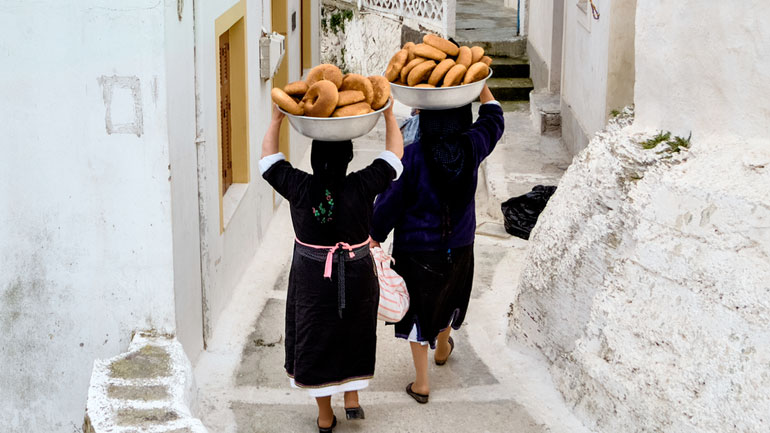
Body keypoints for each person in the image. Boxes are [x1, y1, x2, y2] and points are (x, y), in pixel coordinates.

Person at [259, 100, 403, 432]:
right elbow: (394, 157)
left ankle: (325, 417)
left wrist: (276, 120)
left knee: (317, 339)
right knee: (355, 333)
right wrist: (388, 115)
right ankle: (352, 399)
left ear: (313, 159)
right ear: (349, 158)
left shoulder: (298, 186)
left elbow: (268, 161)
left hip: (312, 280)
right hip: (357, 274)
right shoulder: (362, 185)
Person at [370, 85, 504, 404]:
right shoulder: (473, 145)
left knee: (418, 312)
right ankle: (442, 348)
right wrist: (481, 86)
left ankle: (422, 383)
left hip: (416, 249)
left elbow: (389, 204)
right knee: (449, 295)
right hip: (461, 244)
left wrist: (374, 234)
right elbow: (494, 118)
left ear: (426, 119)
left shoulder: (411, 157)